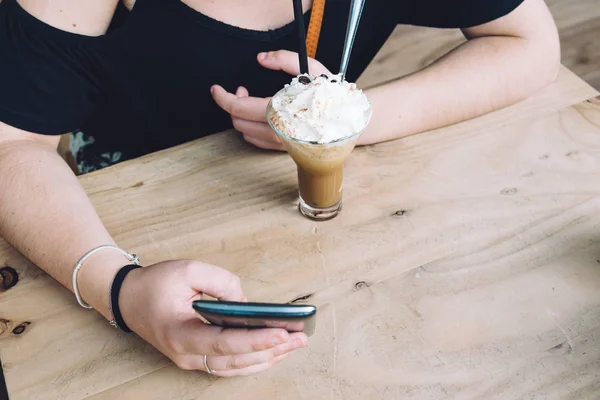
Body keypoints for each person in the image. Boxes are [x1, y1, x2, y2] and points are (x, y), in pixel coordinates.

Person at [0, 0, 560, 376]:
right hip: (114, 214)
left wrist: (345, 117)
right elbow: (11, 144)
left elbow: (528, 41)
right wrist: (120, 290)